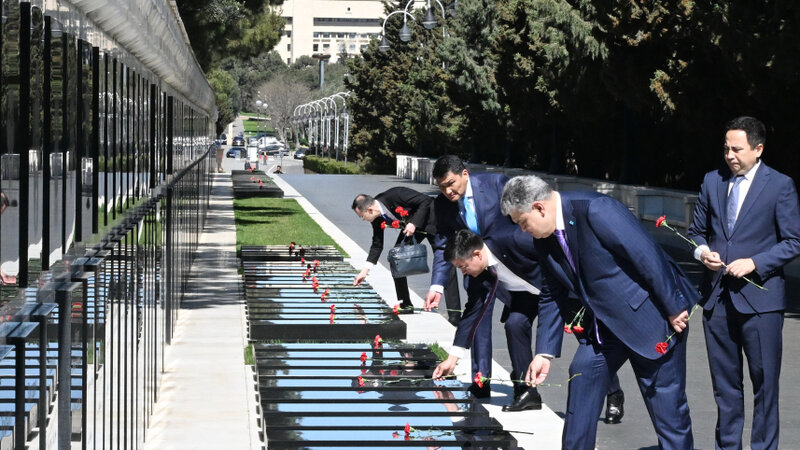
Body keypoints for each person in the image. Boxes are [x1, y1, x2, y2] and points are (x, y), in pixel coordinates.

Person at [500, 175, 698, 450]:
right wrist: (543, 351)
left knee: (668, 409)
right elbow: (552, 293)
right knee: (583, 374)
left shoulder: (596, 209)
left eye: (523, 222)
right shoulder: (543, 239)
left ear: (539, 208)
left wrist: (674, 307)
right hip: (606, 325)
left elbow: (646, 254)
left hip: (651, 316)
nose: (523, 231)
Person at [686, 116, 800, 450]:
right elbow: (695, 233)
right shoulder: (712, 181)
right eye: (726, 149)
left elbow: (793, 241)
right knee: (725, 386)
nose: (730, 155)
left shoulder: (780, 186)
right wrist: (702, 253)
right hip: (717, 300)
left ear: (758, 149)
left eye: (737, 149)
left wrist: (755, 262)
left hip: (762, 302)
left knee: (765, 386)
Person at [432, 230, 543, 411]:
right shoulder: (479, 274)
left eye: (462, 266)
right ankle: (527, 390)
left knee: (594, 338)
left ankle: (608, 393)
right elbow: (472, 313)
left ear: (477, 254)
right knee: (514, 324)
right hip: (525, 295)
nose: (463, 272)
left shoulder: (512, 240)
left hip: (557, 288)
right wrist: (452, 359)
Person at [351, 188, 460, 313]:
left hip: (433, 221)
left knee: (446, 261)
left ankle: (455, 313)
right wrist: (365, 270)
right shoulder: (376, 218)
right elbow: (377, 244)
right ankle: (406, 304)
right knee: (396, 258)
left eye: (362, 216)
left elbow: (425, 201)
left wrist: (414, 223)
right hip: (412, 229)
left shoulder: (395, 194)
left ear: (370, 210)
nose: (363, 219)